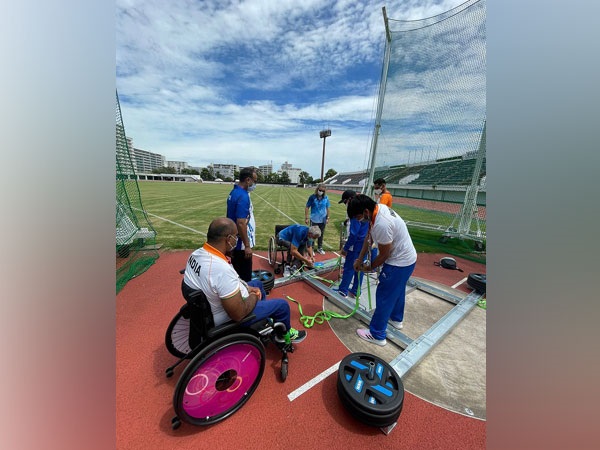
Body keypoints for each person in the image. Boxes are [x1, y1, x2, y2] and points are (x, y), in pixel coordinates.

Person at [182, 217, 307, 344]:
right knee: (282, 305)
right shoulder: (220, 269)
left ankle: (263, 320)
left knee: (257, 283)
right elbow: (238, 314)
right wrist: (253, 296)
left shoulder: (196, 254)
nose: (237, 239)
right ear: (228, 239)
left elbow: (224, 282)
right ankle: (283, 335)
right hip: (229, 316)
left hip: (210, 305)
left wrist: (247, 288)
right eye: (236, 236)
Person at [347, 194, 417, 347]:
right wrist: (359, 259)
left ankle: (377, 333)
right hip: (408, 259)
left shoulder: (382, 224)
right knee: (397, 291)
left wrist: (369, 267)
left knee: (384, 294)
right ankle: (396, 319)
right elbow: (368, 238)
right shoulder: (378, 209)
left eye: (359, 217)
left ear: (365, 211)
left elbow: (385, 254)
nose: (359, 220)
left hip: (399, 262)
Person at [333, 190, 369, 298]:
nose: (346, 205)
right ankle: (356, 291)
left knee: (349, 267)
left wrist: (346, 247)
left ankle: (342, 291)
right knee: (360, 268)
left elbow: (354, 234)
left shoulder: (355, 211)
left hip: (356, 245)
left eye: (345, 202)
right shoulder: (364, 208)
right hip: (364, 244)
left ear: (349, 199)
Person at [226, 167, 257, 282]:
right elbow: (240, 222)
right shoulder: (243, 196)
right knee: (244, 277)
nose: (255, 184)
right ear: (248, 180)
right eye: (254, 181)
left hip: (235, 241)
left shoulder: (234, 192)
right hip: (241, 244)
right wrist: (247, 246)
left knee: (236, 273)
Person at [304, 184, 330, 254]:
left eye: (322, 191)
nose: (321, 191)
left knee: (321, 234)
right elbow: (307, 207)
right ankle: (311, 248)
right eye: (320, 190)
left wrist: (328, 217)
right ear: (317, 189)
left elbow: (327, 208)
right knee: (312, 234)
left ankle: (319, 248)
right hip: (314, 219)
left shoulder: (326, 198)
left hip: (323, 219)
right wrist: (306, 218)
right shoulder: (312, 197)